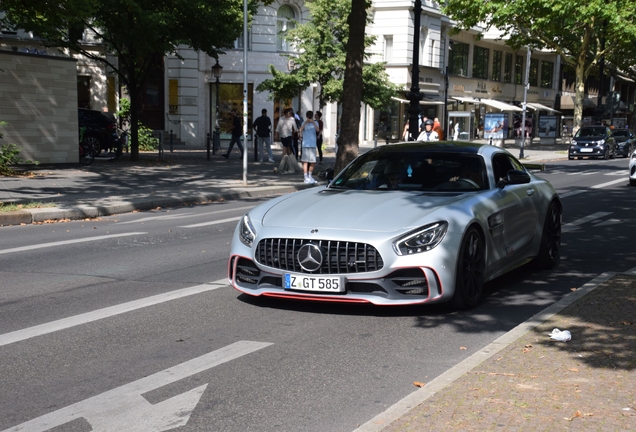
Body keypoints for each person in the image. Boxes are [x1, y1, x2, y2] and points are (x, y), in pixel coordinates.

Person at [299, 110, 320, 184]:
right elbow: (300, 130)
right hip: (305, 144)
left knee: (313, 161)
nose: (309, 118)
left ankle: (310, 176)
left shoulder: (316, 123)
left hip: (312, 144)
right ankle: (305, 177)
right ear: (307, 116)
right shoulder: (304, 123)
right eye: (309, 116)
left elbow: (318, 130)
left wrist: (313, 122)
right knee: (305, 161)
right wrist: (305, 122)